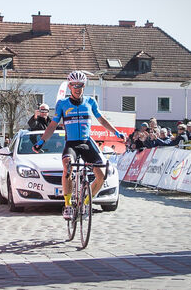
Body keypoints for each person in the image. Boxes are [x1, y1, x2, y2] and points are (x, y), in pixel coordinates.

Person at [32, 70, 124, 220]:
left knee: (101, 176)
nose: (77, 88)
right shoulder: (62, 104)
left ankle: (86, 203)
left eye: (80, 85)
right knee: (67, 166)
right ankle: (68, 205)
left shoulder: (90, 102)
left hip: (87, 142)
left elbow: (101, 120)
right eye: (74, 85)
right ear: (69, 86)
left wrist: (116, 132)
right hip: (71, 144)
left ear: (84, 86)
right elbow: (52, 126)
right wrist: (41, 142)